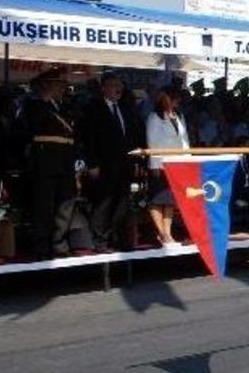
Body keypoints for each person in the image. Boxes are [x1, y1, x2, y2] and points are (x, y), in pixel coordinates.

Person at [81, 72, 144, 250]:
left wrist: (137, 161)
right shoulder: (94, 109)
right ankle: (99, 239)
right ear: (104, 88)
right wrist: (92, 163)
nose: (118, 89)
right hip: (104, 164)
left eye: (120, 86)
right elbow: (89, 138)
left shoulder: (125, 109)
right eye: (114, 86)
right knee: (104, 202)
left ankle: (115, 236)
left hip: (125, 164)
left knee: (122, 202)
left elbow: (132, 137)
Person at [25, 68, 76, 258]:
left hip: (65, 161)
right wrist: (43, 103)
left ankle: (59, 243)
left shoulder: (66, 107)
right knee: (44, 206)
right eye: (58, 85)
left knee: (65, 203)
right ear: (47, 85)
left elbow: (72, 134)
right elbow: (31, 127)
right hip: (45, 161)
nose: (62, 89)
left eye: (63, 85)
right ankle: (42, 245)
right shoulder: (33, 105)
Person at [145, 87, 190, 246]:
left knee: (170, 200)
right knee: (157, 199)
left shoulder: (179, 116)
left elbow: (184, 141)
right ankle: (162, 233)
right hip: (160, 164)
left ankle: (168, 232)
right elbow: (152, 141)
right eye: (174, 98)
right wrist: (155, 165)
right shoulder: (154, 117)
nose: (177, 101)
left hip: (176, 164)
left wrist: (187, 161)